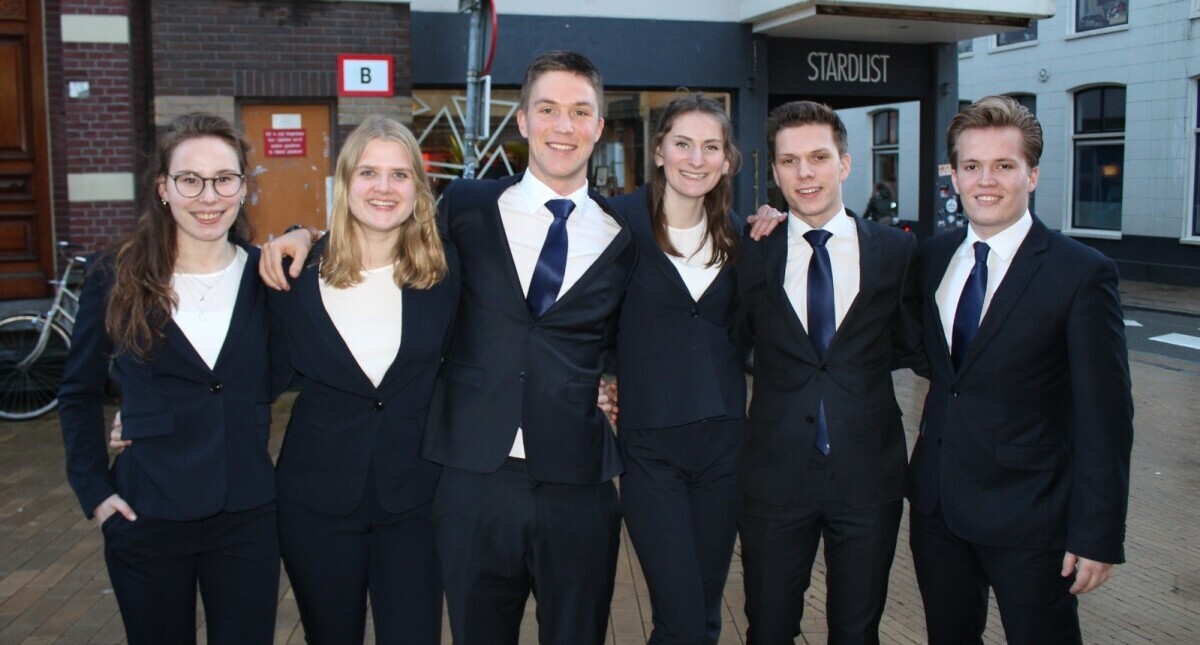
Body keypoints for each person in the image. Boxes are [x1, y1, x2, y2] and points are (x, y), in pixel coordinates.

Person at [259, 50, 636, 645]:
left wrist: (610, 384)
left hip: (578, 479)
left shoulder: (625, 233)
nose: (563, 125)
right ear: (521, 120)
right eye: (547, 109)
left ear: (598, 126)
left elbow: (636, 330)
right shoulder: (466, 207)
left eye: (579, 111)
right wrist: (306, 235)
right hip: (470, 477)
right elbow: (382, 226)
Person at [908, 95, 1134, 644]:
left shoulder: (1081, 273)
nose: (986, 181)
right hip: (938, 512)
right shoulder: (932, 258)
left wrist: (1098, 533)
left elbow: (1106, 416)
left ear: (1032, 175)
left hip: (1032, 519)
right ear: (954, 175)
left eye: (1004, 165)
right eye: (971, 166)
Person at [59, 113, 281, 643]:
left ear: (243, 187)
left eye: (224, 179)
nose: (209, 196)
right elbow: (78, 391)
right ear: (163, 187)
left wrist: (305, 234)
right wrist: (95, 491)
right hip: (147, 514)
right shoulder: (116, 275)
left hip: (246, 516)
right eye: (190, 180)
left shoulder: (270, 276)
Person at [267, 116, 459, 643]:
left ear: (419, 188)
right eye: (368, 172)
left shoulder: (445, 270)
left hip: (416, 502)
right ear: (345, 181)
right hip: (316, 503)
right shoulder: (296, 273)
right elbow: (248, 375)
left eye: (400, 175)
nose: (383, 188)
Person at [736, 101, 921, 644]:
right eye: (789, 161)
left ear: (844, 163)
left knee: (857, 631)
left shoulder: (897, 251)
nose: (804, 173)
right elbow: (728, 341)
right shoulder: (751, 251)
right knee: (768, 629)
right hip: (773, 478)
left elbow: (914, 344)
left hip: (868, 477)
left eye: (818, 157)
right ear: (774, 173)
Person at [607, 93, 746, 644]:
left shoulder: (742, 235)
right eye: (683, 144)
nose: (696, 159)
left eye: (711, 147)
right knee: (681, 617)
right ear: (659, 150)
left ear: (727, 160)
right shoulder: (617, 223)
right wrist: (596, 379)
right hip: (651, 448)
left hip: (724, 446)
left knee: (705, 616)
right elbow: (580, 317)